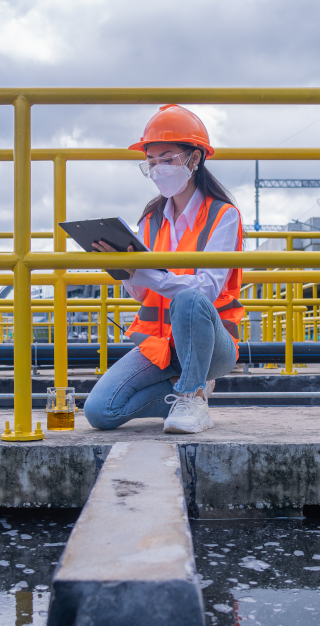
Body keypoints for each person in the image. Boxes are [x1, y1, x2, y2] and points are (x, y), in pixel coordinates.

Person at [83, 104, 245, 434]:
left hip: (212, 346)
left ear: (195, 158)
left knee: (189, 297)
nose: (158, 169)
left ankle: (194, 393)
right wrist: (125, 271)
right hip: (161, 345)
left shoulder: (223, 216)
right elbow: (143, 293)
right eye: (152, 162)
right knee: (100, 411)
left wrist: (147, 273)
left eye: (167, 158)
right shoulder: (149, 220)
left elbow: (207, 290)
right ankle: (188, 389)